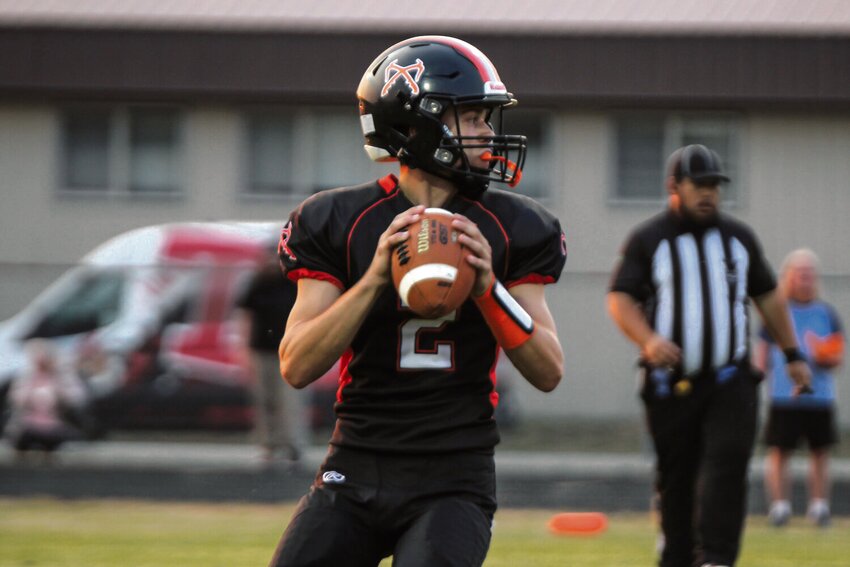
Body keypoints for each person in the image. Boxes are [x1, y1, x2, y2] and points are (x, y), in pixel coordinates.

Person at [269, 35, 567, 567]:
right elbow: (296, 363)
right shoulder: (339, 221)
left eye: (485, 119)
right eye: (472, 118)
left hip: (453, 476)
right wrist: (374, 281)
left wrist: (487, 287)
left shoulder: (514, 226)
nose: (487, 134)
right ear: (416, 124)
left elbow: (548, 371)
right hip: (356, 464)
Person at [607, 144, 812, 567]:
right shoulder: (649, 239)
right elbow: (621, 299)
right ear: (674, 187)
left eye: (714, 186)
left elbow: (769, 297)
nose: (708, 194)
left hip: (729, 379)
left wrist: (792, 353)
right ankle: (678, 553)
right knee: (678, 480)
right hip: (671, 384)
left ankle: (718, 558)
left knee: (727, 465)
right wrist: (647, 340)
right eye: (699, 185)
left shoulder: (738, 238)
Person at [757, 248, 844, 527]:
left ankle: (819, 507)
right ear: (788, 277)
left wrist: (825, 357)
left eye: (809, 275)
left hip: (819, 396)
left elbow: (837, 354)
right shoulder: (776, 312)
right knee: (780, 451)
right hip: (784, 397)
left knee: (820, 451)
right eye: (799, 274)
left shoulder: (826, 313)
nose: (804, 280)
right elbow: (761, 356)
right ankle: (780, 508)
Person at [237, 249, 307, 466]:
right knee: (265, 400)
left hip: (289, 351)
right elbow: (246, 316)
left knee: (289, 401)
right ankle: (268, 445)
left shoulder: (294, 284)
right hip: (262, 350)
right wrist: (244, 348)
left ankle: (292, 446)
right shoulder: (258, 284)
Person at [4, 339, 90, 460]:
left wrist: (59, 385)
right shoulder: (26, 377)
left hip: (56, 423)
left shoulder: (63, 376)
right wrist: (31, 386)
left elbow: (77, 399)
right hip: (29, 424)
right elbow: (16, 400)